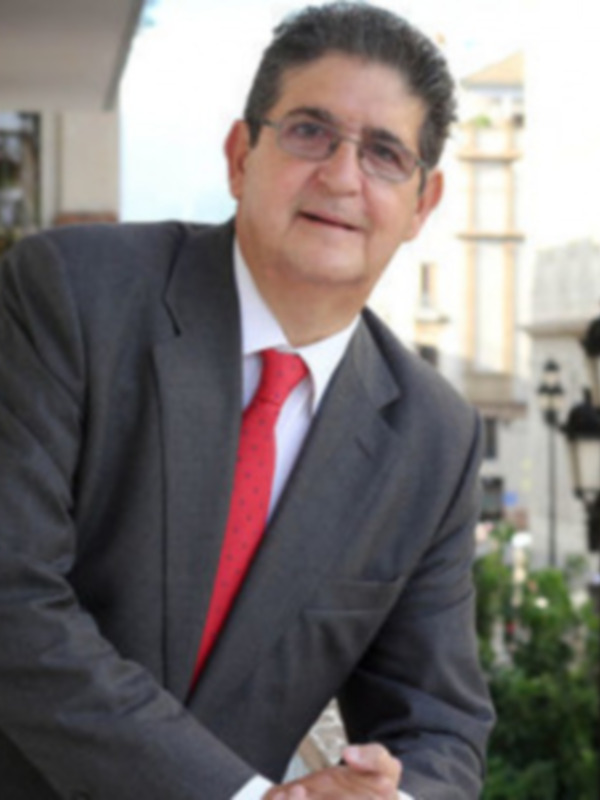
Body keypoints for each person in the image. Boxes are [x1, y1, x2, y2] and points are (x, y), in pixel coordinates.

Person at [0, 3, 495, 799]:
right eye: (309, 131)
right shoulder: (71, 294)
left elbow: (438, 721)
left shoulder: (434, 436)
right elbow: (14, 601)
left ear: (422, 205)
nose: (341, 176)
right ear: (240, 157)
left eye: (383, 153)